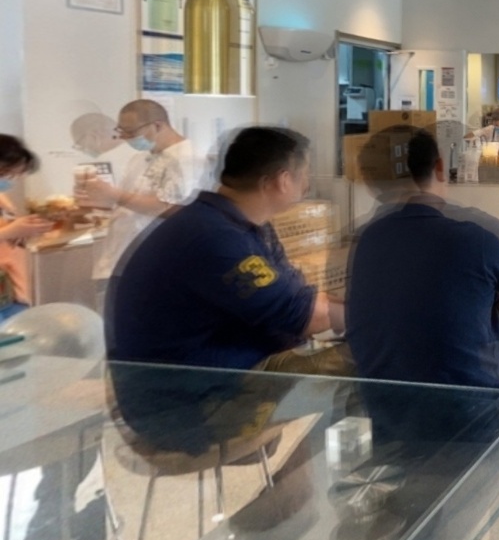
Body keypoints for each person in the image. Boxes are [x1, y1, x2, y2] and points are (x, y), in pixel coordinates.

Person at [106, 127, 343, 452]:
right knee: (367, 358)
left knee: (352, 346)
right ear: (282, 180)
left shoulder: (235, 225)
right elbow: (303, 316)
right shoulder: (215, 238)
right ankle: (401, 466)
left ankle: (297, 479)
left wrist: (356, 311)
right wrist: (376, 316)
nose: (308, 183)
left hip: (212, 379)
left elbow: (295, 298)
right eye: (305, 174)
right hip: (186, 410)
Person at [347, 130, 499, 436]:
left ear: (369, 180)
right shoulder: (481, 232)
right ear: (440, 168)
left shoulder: (363, 239)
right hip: (473, 415)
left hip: (387, 411)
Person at [79, 100, 199, 309]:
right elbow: (129, 204)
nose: (125, 138)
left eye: (131, 132)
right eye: (121, 131)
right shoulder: (140, 158)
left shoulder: (187, 159)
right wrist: (98, 201)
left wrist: (115, 196)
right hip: (122, 256)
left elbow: (173, 209)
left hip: (154, 263)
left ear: (158, 125)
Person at [0, 136, 50, 324]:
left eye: (16, 174)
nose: (11, 179)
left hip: (11, 288)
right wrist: (9, 232)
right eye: (7, 173)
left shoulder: (3, 198)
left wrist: (23, 231)